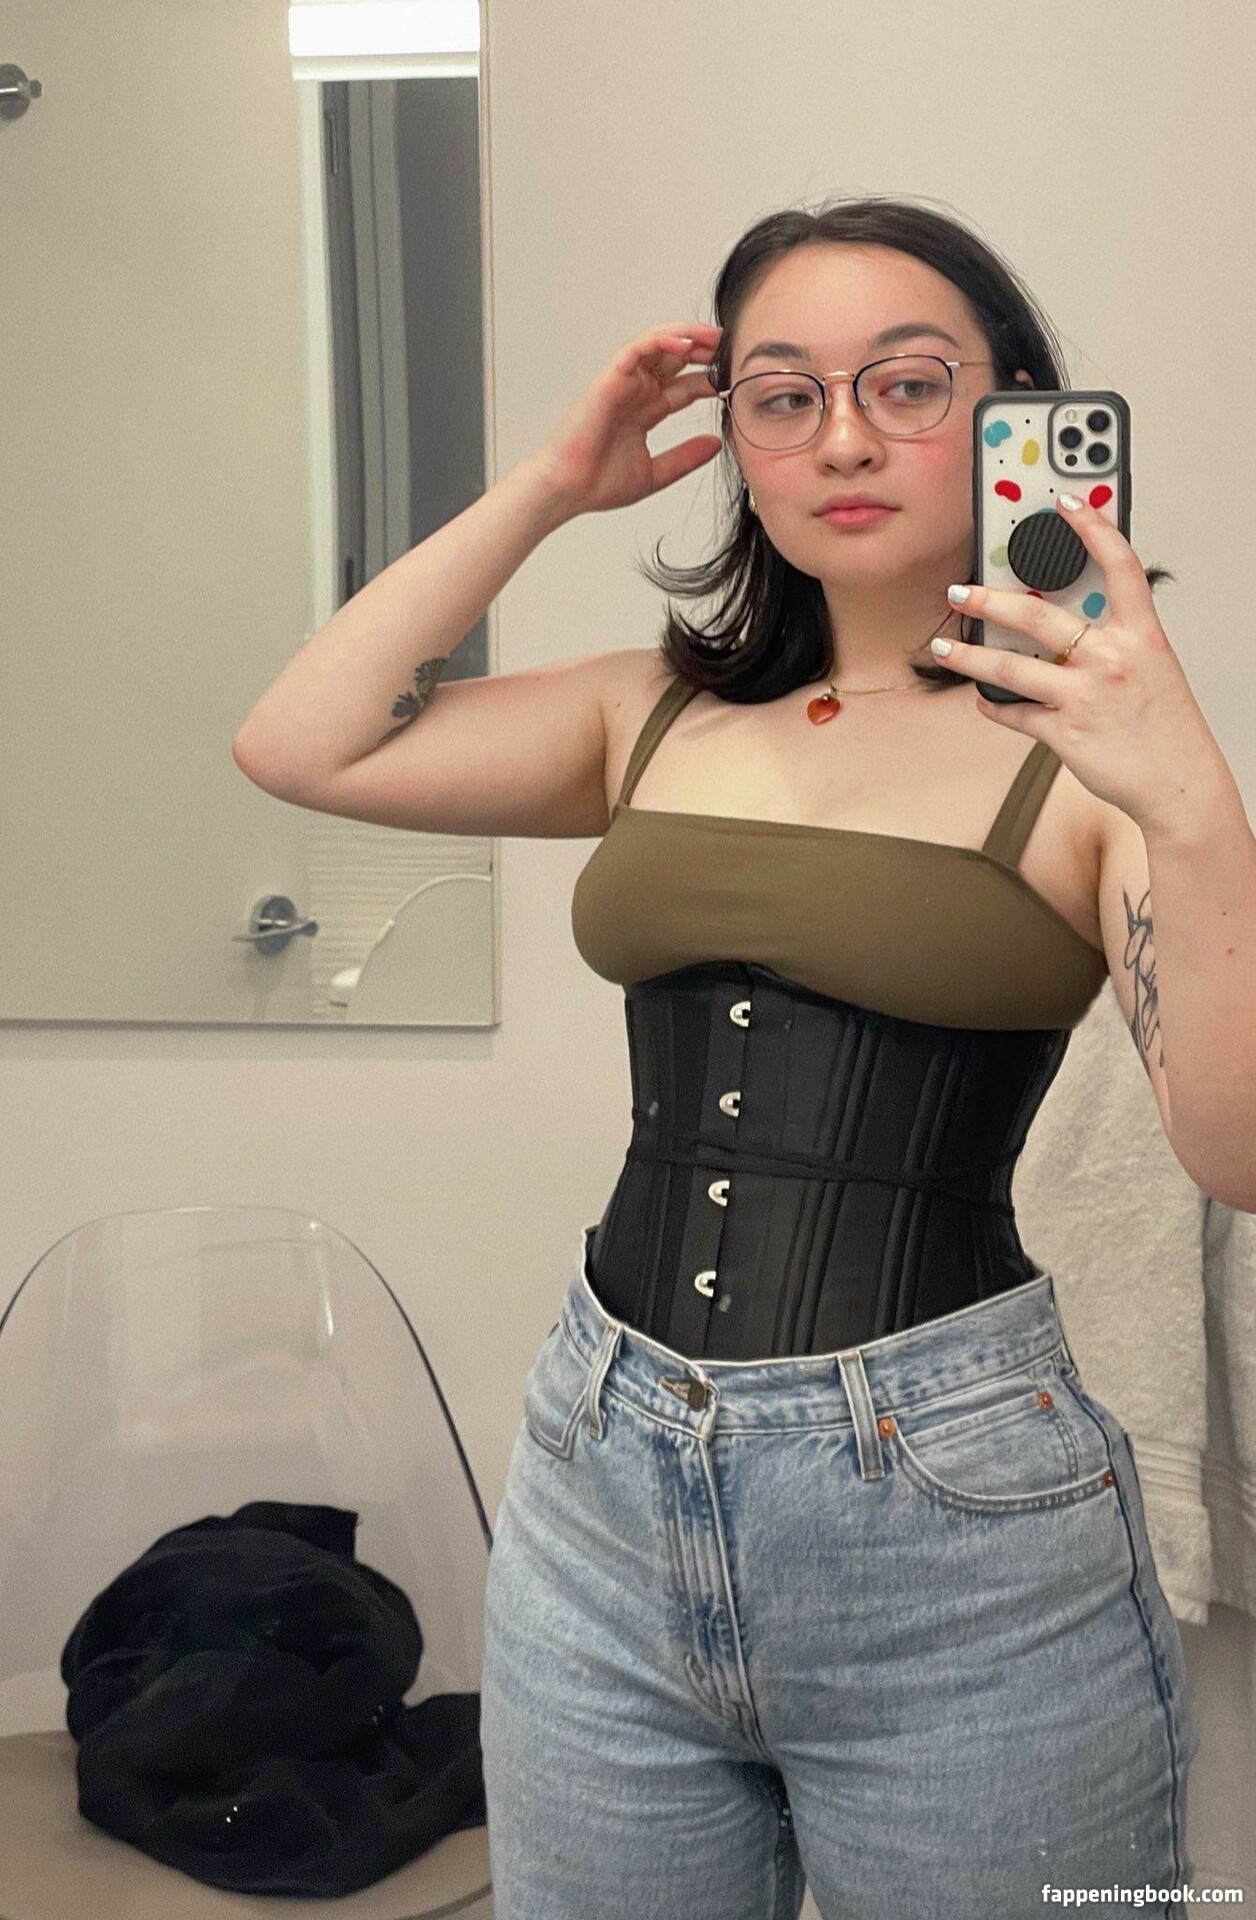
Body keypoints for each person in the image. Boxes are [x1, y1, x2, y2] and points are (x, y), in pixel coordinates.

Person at [232, 197, 1200, 1918]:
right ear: (735, 438)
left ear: (1015, 409)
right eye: (784, 395)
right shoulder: (653, 710)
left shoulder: (1098, 767)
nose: (844, 438)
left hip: (955, 1522)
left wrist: (1185, 780)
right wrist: (553, 485)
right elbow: (299, 743)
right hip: (600, 1482)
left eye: (909, 384)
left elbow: (1240, 1153)